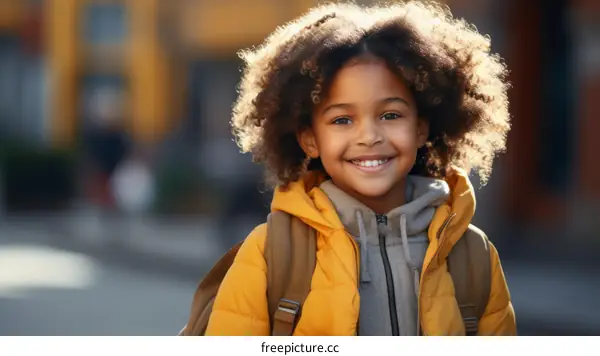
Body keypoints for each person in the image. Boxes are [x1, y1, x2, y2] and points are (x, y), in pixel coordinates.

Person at [204, 2, 515, 336]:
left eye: (391, 115)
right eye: (342, 120)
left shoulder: (473, 256)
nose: (368, 136)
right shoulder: (270, 254)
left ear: (421, 127)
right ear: (310, 140)